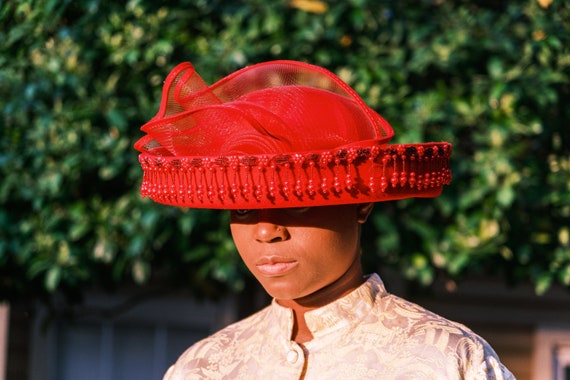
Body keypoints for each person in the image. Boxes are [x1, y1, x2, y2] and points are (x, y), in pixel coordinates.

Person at [135, 60, 514, 379]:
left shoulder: (446, 360)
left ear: (361, 205)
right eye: (245, 208)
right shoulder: (203, 368)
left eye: (298, 202)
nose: (266, 230)